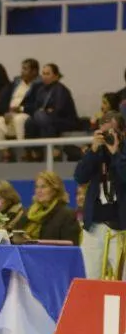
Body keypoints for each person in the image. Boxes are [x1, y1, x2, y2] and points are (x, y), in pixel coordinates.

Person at [74, 112, 126, 278]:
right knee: (89, 278)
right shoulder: (96, 153)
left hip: (121, 228)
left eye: (112, 132)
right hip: (94, 227)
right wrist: (93, 150)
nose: (108, 137)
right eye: (104, 133)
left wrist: (116, 153)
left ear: (122, 133)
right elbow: (80, 177)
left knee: (123, 279)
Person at [14, 171, 81, 245]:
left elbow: (71, 247)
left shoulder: (66, 215)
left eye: (43, 187)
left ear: (55, 190)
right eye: (37, 187)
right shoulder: (27, 212)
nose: (39, 191)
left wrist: (33, 243)